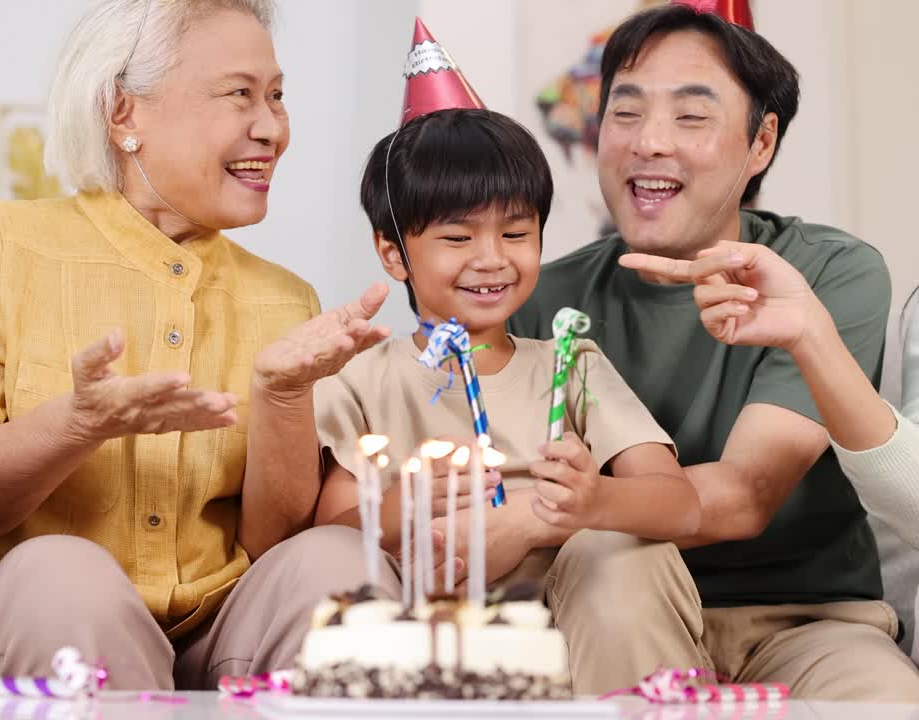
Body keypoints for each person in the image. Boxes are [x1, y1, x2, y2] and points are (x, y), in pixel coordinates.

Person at [0, 0, 393, 691]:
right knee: (63, 574)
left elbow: (275, 553)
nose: (271, 128)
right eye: (239, 94)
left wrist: (283, 394)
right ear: (124, 112)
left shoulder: (288, 300)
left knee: (338, 560)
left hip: (214, 637)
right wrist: (77, 424)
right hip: (25, 629)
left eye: (276, 96)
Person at [507, 2, 919, 699]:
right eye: (626, 112)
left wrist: (580, 500)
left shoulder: (825, 274)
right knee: (610, 551)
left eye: (690, 117)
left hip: (807, 622)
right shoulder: (539, 297)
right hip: (609, 607)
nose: (649, 142)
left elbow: (747, 495)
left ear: (761, 143)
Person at [314, 104, 697, 592]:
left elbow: (681, 506)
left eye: (515, 233)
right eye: (457, 237)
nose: (492, 259)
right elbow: (325, 542)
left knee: (627, 557)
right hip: (419, 632)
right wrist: (401, 505)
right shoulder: (358, 382)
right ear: (394, 254)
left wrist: (594, 499)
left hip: (567, 626)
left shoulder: (572, 365)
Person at [622, 242, 919, 664]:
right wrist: (808, 333)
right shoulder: (547, 295)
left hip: (818, 627)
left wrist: (560, 508)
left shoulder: (840, 269)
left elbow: (744, 497)